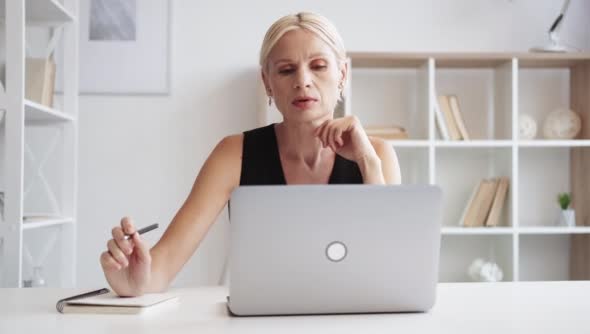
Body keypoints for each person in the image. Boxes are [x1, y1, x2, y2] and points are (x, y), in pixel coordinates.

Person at [100, 12, 401, 296]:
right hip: (262, 326)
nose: (303, 80)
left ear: (342, 74)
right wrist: (135, 281)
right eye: (286, 70)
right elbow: (162, 267)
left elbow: (392, 272)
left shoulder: (377, 155)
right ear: (267, 82)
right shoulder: (234, 155)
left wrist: (368, 164)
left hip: (357, 323)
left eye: (319, 66)